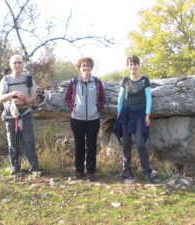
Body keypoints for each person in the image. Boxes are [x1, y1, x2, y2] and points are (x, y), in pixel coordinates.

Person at [0, 54, 42, 176]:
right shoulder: (5, 80)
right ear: (10, 65)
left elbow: (34, 96)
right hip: (10, 114)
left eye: (20, 62)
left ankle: (34, 168)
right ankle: (15, 168)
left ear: (23, 64)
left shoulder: (28, 79)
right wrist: (13, 94)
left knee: (28, 141)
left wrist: (25, 101)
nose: (17, 65)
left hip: (25, 113)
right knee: (12, 142)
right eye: (15, 63)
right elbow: (0, 98)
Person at [114, 55, 154, 183]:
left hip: (140, 114)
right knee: (126, 144)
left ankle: (147, 171)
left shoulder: (145, 80)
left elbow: (149, 98)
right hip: (126, 113)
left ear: (138, 65)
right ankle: (126, 171)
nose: (133, 66)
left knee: (141, 144)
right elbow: (121, 97)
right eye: (130, 64)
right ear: (128, 66)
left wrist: (147, 114)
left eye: (135, 64)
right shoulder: (125, 80)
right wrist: (118, 111)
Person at [65, 57, 105, 182]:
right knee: (79, 145)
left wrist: (97, 108)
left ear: (91, 67)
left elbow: (103, 99)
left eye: (88, 65)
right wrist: (74, 108)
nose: (86, 67)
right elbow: (67, 98)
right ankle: (79, 171)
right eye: (83, 65)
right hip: (77, 119)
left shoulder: (97, 83)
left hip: (93, 119)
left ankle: (90, 172)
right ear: (79, 67)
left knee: (92, 145)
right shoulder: (74, 82)